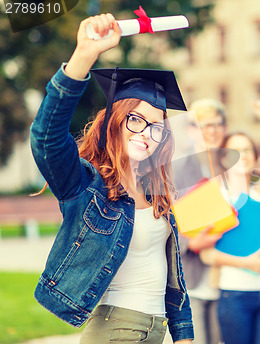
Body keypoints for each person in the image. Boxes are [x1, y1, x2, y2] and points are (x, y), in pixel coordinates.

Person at [30, 14, 193, 344]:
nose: (146, 133)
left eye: (157, 126)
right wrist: (84, 56)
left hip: (155, 332)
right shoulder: (87, 187)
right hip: (115, 332)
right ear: (115, 121)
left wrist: (184, 335)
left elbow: (171, 275)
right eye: (136, 119)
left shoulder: (156, 191)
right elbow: (46, 137)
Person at [200, 100, 260, 344]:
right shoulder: (214, 194)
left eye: (248, 150)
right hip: (235, 293)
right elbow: (207, 256)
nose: (242, 156)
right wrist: (245, 262)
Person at [173, 98, 229, 344]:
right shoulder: (178, 170)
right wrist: (191, 244)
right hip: (194, 278)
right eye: (204, 125)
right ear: (191, 130)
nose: (212, 130)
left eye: (217, 124)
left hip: (228, 278)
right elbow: (167, 222)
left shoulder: (234, 168)